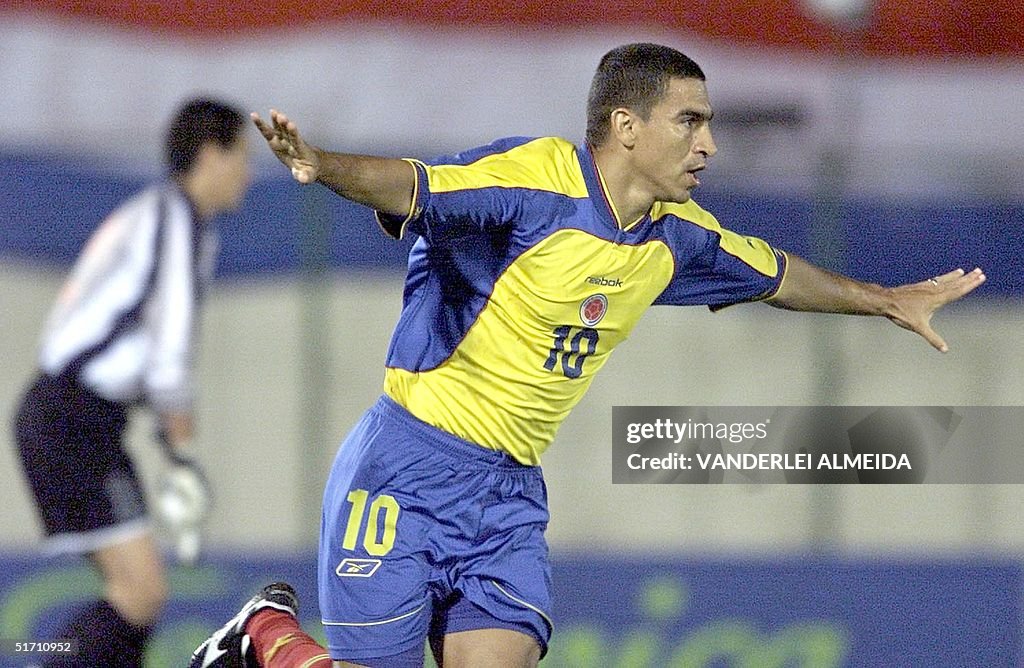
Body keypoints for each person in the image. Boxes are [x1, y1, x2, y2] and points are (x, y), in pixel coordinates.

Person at [190, 43, 985, 668]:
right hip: (405, 465)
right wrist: (320, 164)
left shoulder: (674, 240)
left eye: (708, 126)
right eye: (690, 121)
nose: (708, 144)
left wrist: (887, 300)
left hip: (506, 496)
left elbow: (778, 274)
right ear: (628, 127)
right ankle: (264, 629)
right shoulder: (539, 182)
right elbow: (417, 185)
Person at [13, 97, 251, 667]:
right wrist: (186, 455)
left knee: (138, 596)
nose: (246, 171)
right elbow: (168, 357)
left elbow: (131, 352)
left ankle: (38, 654)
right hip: (72, 417)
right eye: (241, 154)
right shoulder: (176, 219)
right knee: (140, 593)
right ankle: (36, 657)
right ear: (211, 155)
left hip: (74, 415)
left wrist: (172, 448)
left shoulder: (163, 216)